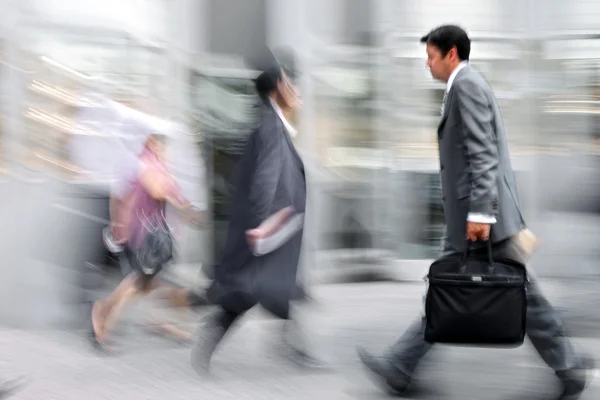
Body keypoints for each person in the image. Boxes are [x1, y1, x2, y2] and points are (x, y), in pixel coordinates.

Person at [357, 25, 594, 399]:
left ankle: (569, 369)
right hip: (478, 220)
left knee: (515, 297)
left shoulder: (466, 85)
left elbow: (483, 154)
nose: (426, 64)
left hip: (484, 224)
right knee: (459, 292)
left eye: (431, 56)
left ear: (451, 54)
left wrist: (481, 215)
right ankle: (400, 366)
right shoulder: (464, 86)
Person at [191, 47, 321, 374]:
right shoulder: (271, 128)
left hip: (269, 232)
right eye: (291, 84)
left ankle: (292, 346)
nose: (297, 91)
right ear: (278, 89)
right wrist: (266, 223)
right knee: (255, 291)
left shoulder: (272, 126)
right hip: (266, 233)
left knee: (266, 290)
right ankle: (217, 334)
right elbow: (266, 179)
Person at [91, 132, 203, 351]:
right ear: (152, 145)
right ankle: (103, 319)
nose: (166, 152)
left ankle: (154, 322)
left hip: (151, 237)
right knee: (136, 284)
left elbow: (175, 195)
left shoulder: (158, 168)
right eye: (163, 147)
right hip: (143, 236)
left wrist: (189, 210)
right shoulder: (146, 165)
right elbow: (158, 191)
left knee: (145, 285)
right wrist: (183, 208)